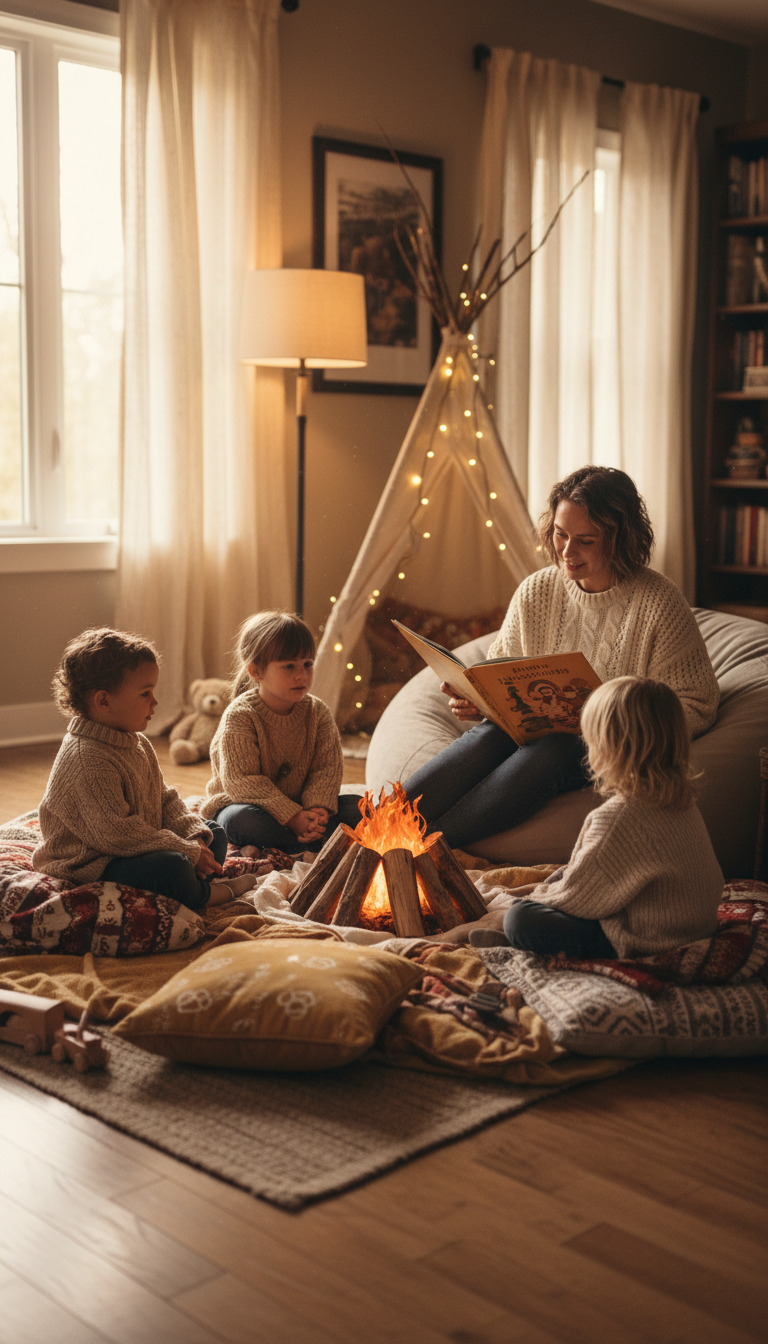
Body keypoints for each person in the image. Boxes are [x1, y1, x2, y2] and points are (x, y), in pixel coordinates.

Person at [404, 465, 720, 849]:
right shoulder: (537, 590)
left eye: (585, 540)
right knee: (490, 737)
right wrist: (478, 701)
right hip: (523, 734)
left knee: (555, 748)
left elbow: (697, 704)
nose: (566, 552)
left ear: (621, 539)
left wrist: (618, 724)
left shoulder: (659, 603)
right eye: (560, 534)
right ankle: (385, 819)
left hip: (598, 749)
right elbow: (499, 672)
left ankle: (431, 845)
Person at [450, 677, 724, 958]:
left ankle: (510, 937)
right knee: (544, 891)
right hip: (697, 926)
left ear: (608, 748)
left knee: (520, 918)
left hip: (650, 938)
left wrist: (512, 906)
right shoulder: (679, 799)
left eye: (589, 739)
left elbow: (574, 900)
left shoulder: (618, 816)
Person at [33, 628, 255, 910]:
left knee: (213, 833)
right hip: (93, 861)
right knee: (171, 865)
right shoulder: (86, 759)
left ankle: (193, 882)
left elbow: (163, 799)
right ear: (103, 701)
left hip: (137, 842)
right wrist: (184, 851)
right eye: (145, 693)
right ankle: (206, 895)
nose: (155, 702)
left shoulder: (136, 742)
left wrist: (193, 837)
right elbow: (117, 835)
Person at [201, 611, 362, 853]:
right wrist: (292, 816)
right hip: (247, 804)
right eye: (289, 666)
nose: (302, 675)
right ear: (256, 671)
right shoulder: (241, 716)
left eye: (307, 664)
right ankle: (313, 841)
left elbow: (326, 769)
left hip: (301, 805)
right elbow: (242, 782)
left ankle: (299, 838)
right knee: (237, 820)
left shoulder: (318, 712)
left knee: (360, 807)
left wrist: (317, 809)